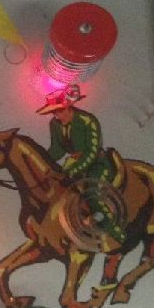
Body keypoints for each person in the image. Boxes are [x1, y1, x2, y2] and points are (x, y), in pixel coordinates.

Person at [37, 85, 126, 246]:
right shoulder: (55, 124)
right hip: (73, 164)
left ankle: (115, 232)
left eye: (60, 111)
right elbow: (57, 149)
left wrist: (74, 170)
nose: (57, 115)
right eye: (54, 112)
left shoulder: (88, 121)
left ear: (69, 107)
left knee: (91, 192)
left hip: (97, 164)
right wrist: (44, 162)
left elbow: (92, 151)